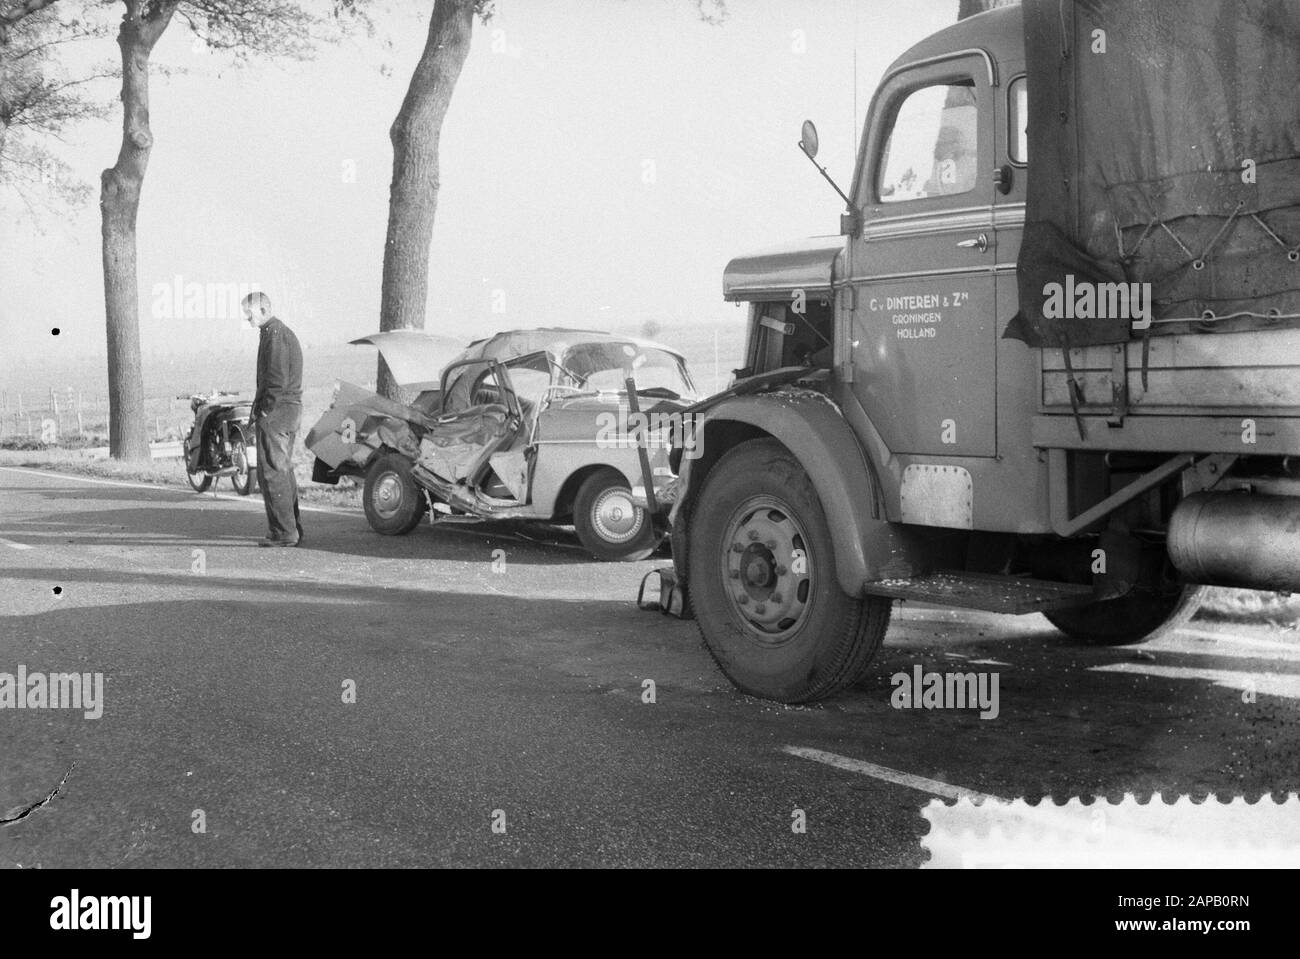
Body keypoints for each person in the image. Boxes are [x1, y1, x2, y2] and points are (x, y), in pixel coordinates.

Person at [244, 292, 304, 547]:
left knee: (273, 473)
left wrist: (265, 413)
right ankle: (290, 528)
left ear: (264, 310)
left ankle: (284, 533)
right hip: (287, 412)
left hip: (278, 413)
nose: (246, 319)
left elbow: (276, 382)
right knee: (282, 471)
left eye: (249, 313)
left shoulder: (275, 336)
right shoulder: (278, 333)